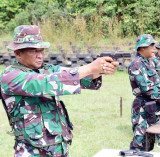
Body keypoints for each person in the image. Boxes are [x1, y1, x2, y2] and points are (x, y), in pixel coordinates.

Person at [0, 25, 119, 156]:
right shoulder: (10, 76)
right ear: (18, 52)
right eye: (33, 51)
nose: (40, 56)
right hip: (32, 152)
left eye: (41, 51)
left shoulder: (46, 69)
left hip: (58, 148)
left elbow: (72, 75)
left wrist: (99, 70)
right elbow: (46, 83)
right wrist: (91, 68)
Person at [128, 34, 160, 151]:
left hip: (152, 109)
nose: (154, 49)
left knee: (149, 145)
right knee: (139, 145)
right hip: (142, 109)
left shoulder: (149, 62)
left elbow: (158, 84)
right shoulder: (136, 64)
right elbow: (148, 89)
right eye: (152, 46)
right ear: (143, 47)